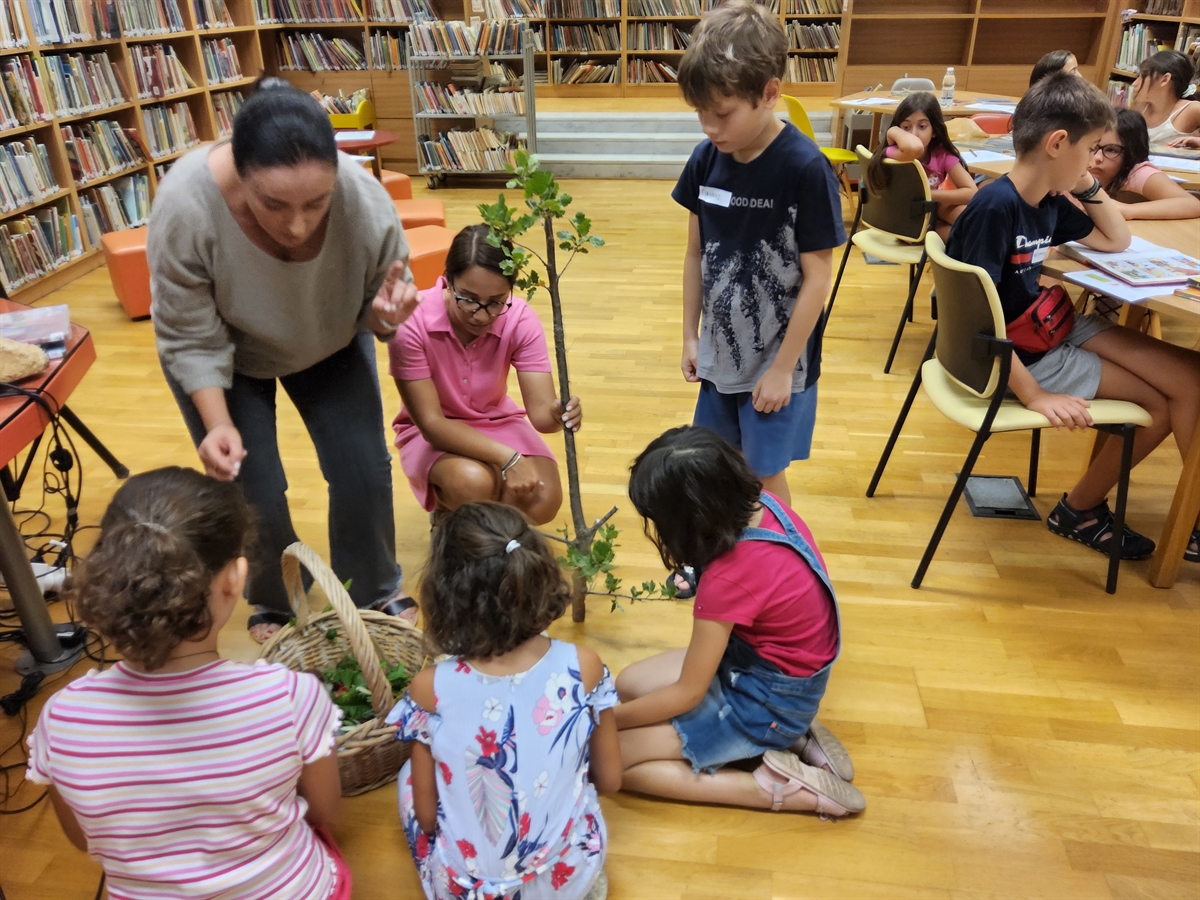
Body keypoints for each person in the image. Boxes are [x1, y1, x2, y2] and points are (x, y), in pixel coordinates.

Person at [149, 77, 419, 641]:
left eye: (316, 204)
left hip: (330, 338)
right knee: (253, 486)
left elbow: (384, 308)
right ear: (237, 170)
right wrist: (217, 423)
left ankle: (373, 589)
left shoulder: (364, 201)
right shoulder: (185, 205)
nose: (296, 226)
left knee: (363, 470)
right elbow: (189, 335)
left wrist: (388, 316)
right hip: (229, 357)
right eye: (273, 204)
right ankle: (271, 598)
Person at [26, 467, 350, 898]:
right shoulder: (290, 696)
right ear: (235, 578)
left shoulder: (62, 718)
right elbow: (323, 810)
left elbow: (85, 841)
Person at [945, 73, 1200, 564]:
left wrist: (1082, 183)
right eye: (1091, 151)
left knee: (1190, 376)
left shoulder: (1043, 201)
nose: (1095, 164)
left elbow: (1116, 239)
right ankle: (1081, 510)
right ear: (1058, 143)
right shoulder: (994, 207)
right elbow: (975, 321)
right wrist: (1034, 395)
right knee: (1167, 402)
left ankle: (1184, 512)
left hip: (1048, 328)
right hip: (1016, 354)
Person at [614, 425, 865, 816]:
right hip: (776, 671)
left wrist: (603, 721)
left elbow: (687, 692)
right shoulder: (765, 503)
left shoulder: (728, 575)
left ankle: (777, 788)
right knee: (629, 685)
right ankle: (794, 737)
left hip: (767, 697)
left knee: (611, 762)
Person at [387, 502, 621, 899]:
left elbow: (427, 818)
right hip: (567, 879)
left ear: (444, 598)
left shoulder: (430, 688)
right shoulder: (583, 665)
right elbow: (611, 780)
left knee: (409, 776)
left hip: (469, 891)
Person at [673, 0, 845, 521]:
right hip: (720, 357)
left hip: (777, 364)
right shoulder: (707, 159)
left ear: (769, 94)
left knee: (764, 475)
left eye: (722, 113)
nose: (708, 127)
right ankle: (719, 562)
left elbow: (819, 278)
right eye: (700, 112)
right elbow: (695, 252)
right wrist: (689, 334)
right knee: (717, 466)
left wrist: (782, 367)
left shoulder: (805, 168)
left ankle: (788, 565)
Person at [389, 224, 580, 526]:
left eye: (495, 302)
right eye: (468, 298)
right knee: (471, 484)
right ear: (447, 281)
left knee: (544, 500)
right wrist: (509, 458)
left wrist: (560, 413)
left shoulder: (518, 318)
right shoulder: (412, 321)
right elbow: (431, 424)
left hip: (497, 421)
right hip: (433, 430)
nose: (481, 315)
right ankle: (458, 517)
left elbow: (543, 418)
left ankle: (473, 528)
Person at [866, 91, 977, 240]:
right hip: (901, 219)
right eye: (906, 127)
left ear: (934, 131)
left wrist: (929, 196)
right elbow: (914, 148)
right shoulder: (894, 152)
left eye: (922, 126)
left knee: (971, 222)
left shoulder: (942, 154)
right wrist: (892, 131)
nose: (914, 134)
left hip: (927, 211)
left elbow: (972, 193)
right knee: (963, 237)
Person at [1084, 108, 1200, 220]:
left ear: (1131, 152)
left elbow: (1192, 204)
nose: (1097, 157)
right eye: (1093, 147)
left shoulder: (1136, 173)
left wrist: (1128, 210)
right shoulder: (1076, 166)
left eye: (1112, 150)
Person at [1128, 50, 1200, 145]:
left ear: (1165, 79)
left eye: (1142, 76)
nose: (1134, 83)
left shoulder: (1191, 109)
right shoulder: (1140, 108)